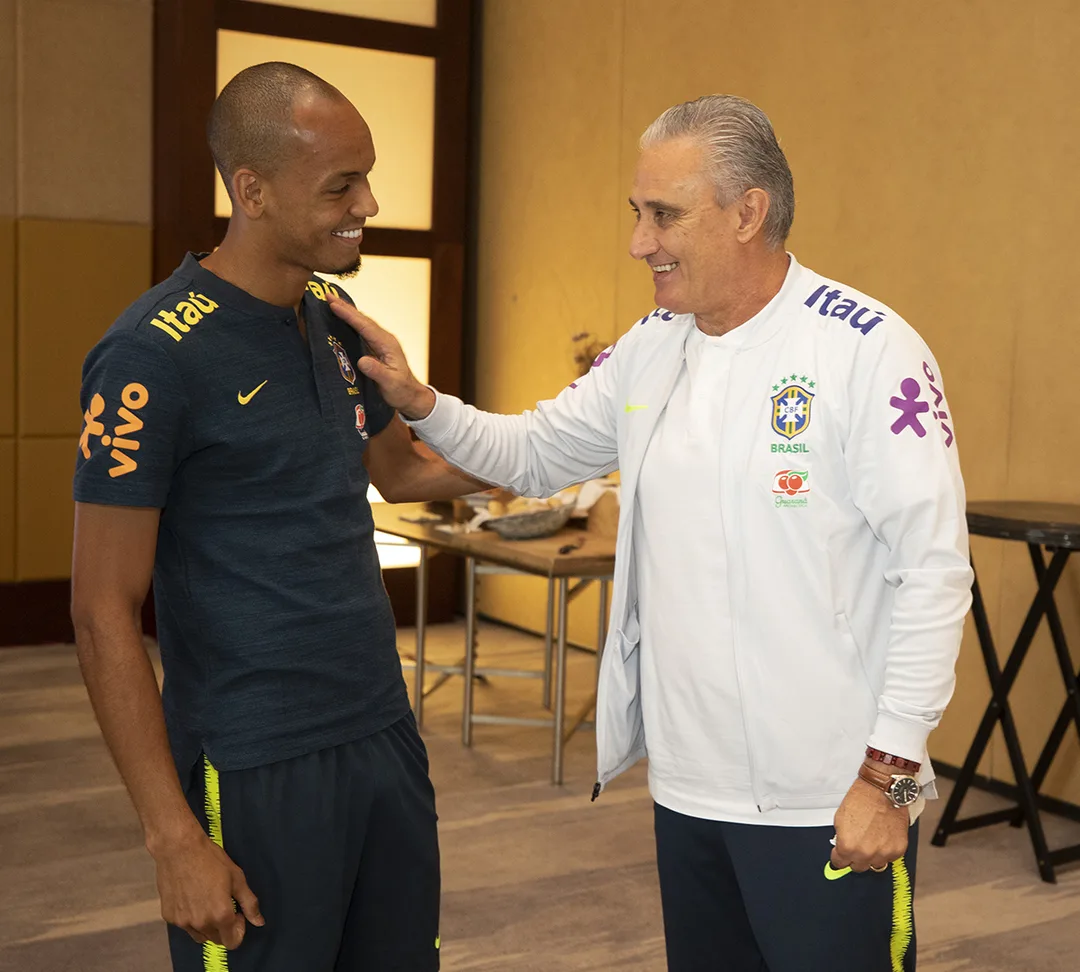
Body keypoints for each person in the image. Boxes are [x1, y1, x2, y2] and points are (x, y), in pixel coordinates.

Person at [329, 95, 973, 971]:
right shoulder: (652, 345)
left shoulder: (868, 351)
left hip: (826, 799)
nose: (639, 241)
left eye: (663, 214)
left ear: (749, 212)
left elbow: (934, 573)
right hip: (688, 790)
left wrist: (888, 780)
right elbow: (535, 448)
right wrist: (419, 402)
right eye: (637, 213)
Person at [71, 62, 485, 971]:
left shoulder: (333, 319)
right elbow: (101, 611)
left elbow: (404, 472)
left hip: (381, 736)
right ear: (249, 189)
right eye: (341, 184)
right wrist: (171, 837)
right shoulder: (149, 356)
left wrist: (574, 446)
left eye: (367, 176)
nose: (368, 202)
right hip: (253, 764)